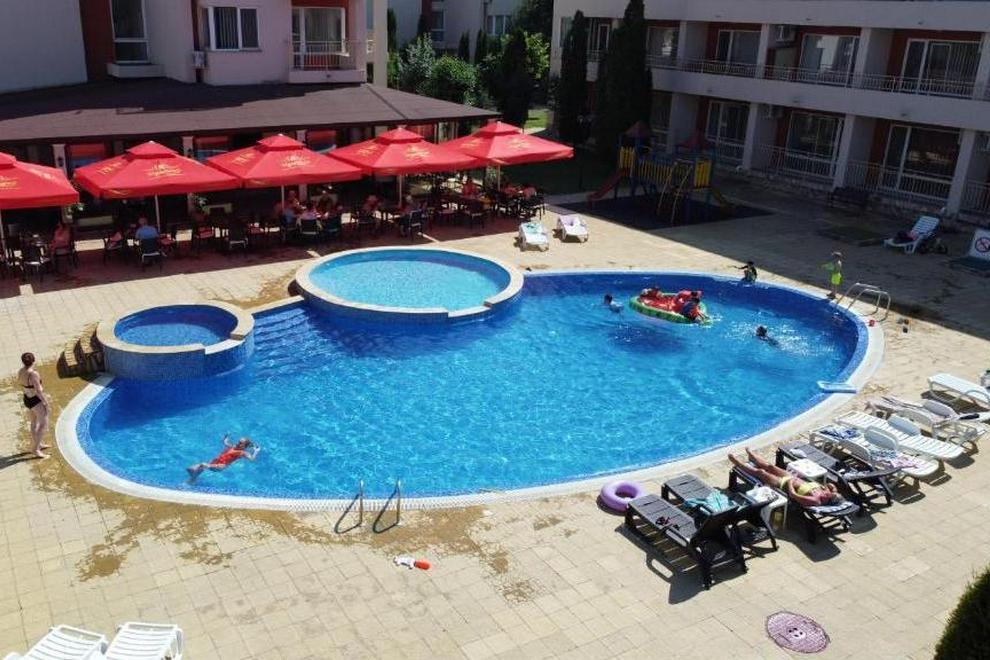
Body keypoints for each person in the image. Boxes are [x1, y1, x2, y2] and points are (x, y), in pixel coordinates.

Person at [729, 449, 846, 508]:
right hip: (792, 477)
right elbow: (832, 486)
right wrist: (830, 488)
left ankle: (738, 463)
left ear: (829, 500)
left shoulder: (816, 500)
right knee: (770, 466)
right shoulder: (826, 493)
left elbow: (793, 495)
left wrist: (789, 483)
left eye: (831, 494)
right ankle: (752, 456)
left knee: (761, 472)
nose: (830, 492)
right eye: (833, 492)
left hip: (783, 485)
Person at [186, 435, 260, 483]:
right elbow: (225, 443)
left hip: (220, 466)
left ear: (244, 446)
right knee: (189, 469)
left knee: (203, 465)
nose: (238, 443)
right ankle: (193, 479)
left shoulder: (242, 452)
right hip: (213, 463)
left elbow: (252, 459)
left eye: (241, 443)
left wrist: (256, 451)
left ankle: (193, 479)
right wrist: (225, 438)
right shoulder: (233, 446)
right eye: (239, 441)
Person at [18, 353, 50, 459]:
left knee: (34, 422)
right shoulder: (33, 374)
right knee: (43, 424)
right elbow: (38, 391)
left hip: (27, 399)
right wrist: (45, 403)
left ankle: (38, 444)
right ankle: (35, 449)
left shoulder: (21, 371)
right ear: (33, 361)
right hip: (35, 400)